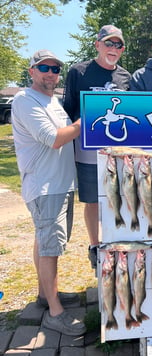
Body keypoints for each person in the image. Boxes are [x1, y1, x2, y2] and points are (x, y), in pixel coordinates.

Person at [12, 50, 86, 336]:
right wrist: (89, 118)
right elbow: (54, 138)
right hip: (44, 186)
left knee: (44, 241)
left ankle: (45, 294)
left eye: (55, 69)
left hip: (60, 183)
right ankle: (55, 312)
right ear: (32, 70)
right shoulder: (24, 100)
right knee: (50, 247)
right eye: (44, 67)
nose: (50, 73)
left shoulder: (53, 101)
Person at [63, 25, 131, 270]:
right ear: (98, 45)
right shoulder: (78, 71)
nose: (113, 48)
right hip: (87, 151)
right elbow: (67, 110)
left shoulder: (126, 77)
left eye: (118, 45)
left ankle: (116, 241)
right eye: (109, 43)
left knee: (117, 198)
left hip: (116, 153)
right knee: (92, 201)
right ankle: (95, 245)